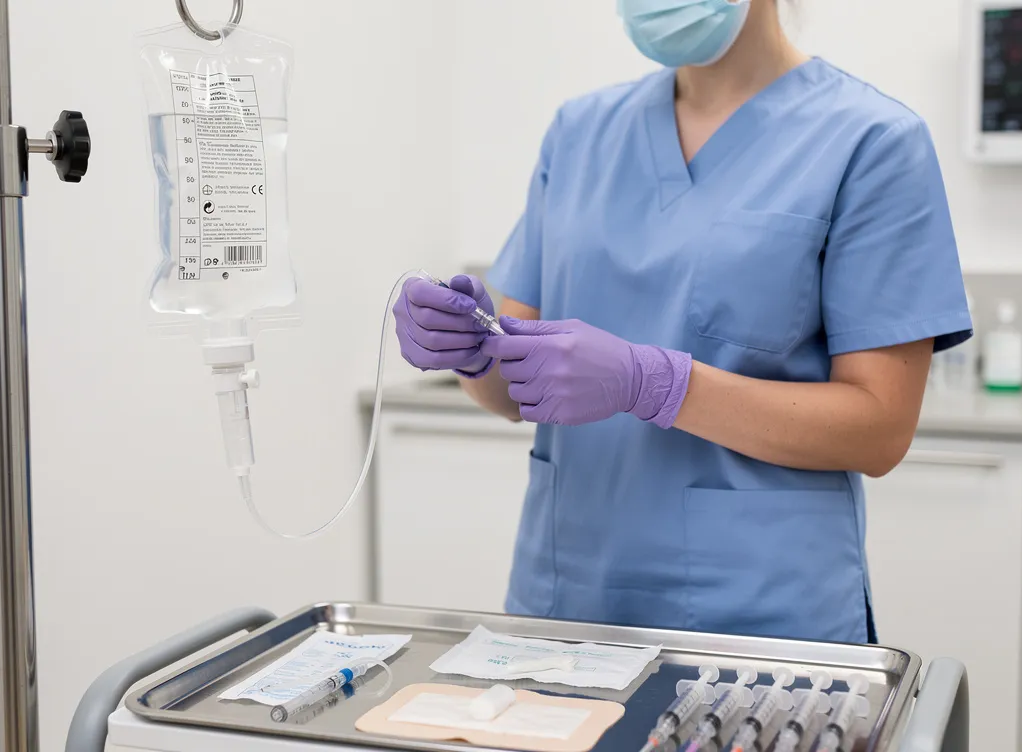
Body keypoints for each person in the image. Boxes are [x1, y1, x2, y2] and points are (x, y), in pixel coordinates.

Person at [393, 0, 971, 644]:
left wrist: (656, 383)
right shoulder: (580, 134)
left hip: (760, 618)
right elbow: (511, 392)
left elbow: (879, 430)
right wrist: (472, 352)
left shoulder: (871, 141)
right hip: (567, 604)